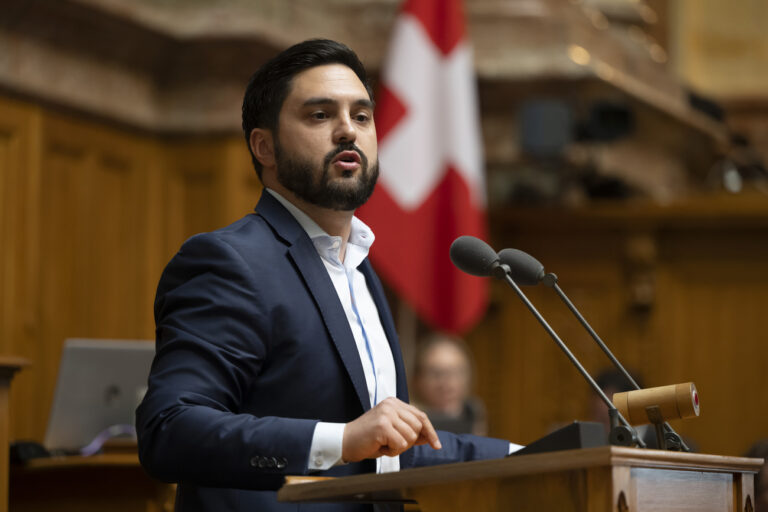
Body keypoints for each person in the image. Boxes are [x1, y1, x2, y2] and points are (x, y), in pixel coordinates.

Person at [135, 39, 512, 512]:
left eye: (361, 116)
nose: (347, 132)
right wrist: (340, 439)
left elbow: (385, 453)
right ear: (264, 146)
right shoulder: (229, 262)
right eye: (320, 115)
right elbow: (169, 431)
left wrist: (544, 456)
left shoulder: (359, 268)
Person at [412, 334, 487, 436]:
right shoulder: (408, 418)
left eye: (456, 372)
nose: (447, 383)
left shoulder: (472, 413)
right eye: (436, 374)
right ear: (417, 379)